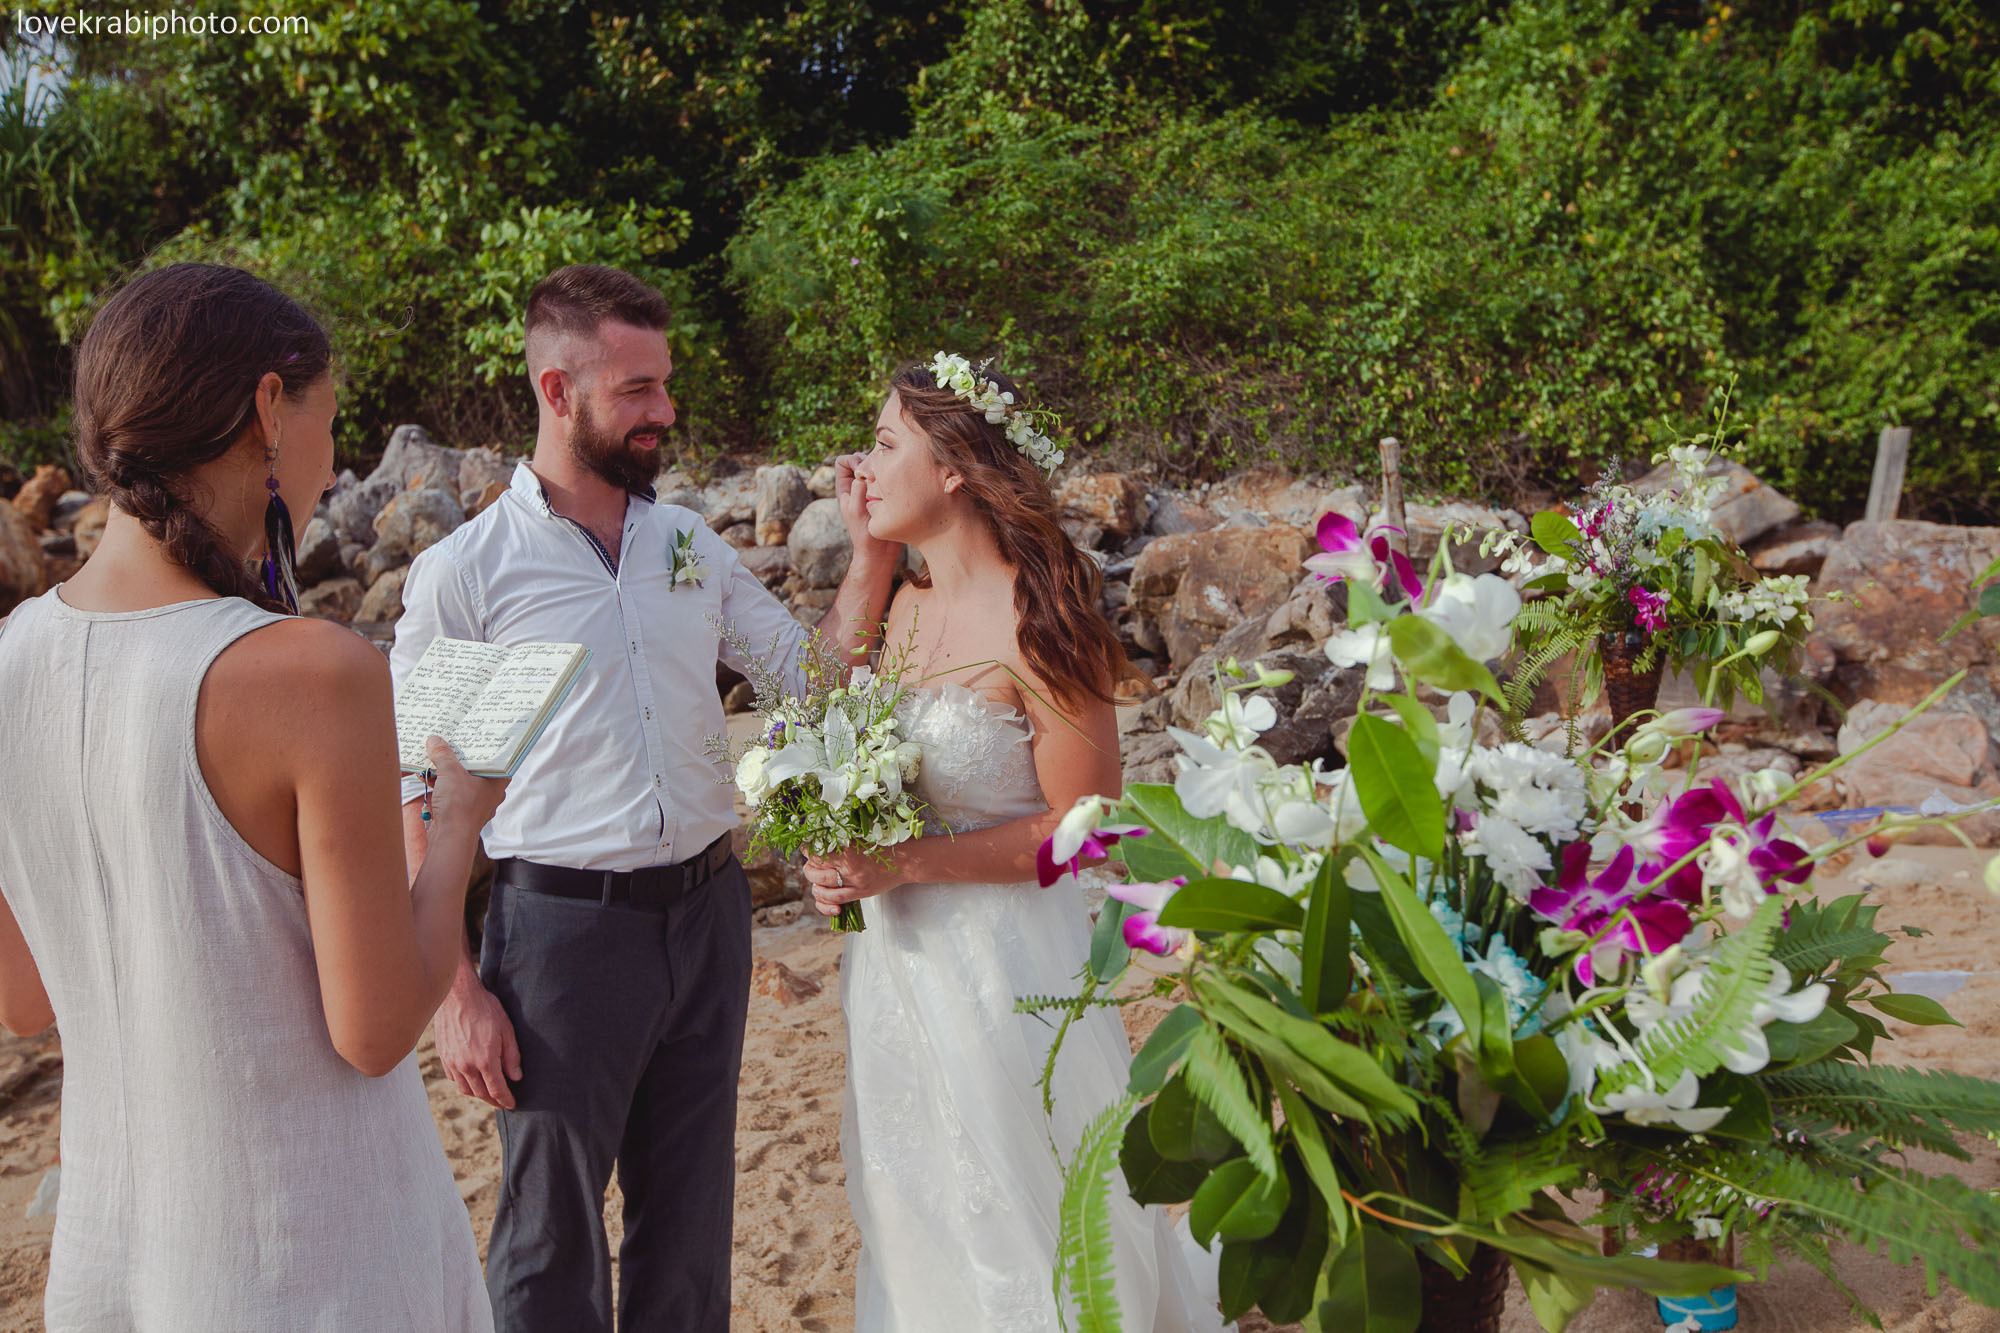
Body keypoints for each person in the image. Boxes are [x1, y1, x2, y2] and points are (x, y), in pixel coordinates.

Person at [394, 263, 899, 1332]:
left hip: (709, 918)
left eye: (663, 385)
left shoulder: (689, 545)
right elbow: (415, 787)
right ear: (554, 390)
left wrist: (871, 557)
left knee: (688, 1229)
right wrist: (453, 993)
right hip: (558, 937)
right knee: (548, 1244)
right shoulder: (465, 572)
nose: (663, 411)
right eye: (635, 390)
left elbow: (808, 681)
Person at [0, 262, 499, 1330]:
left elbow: (23, 1001)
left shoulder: (10, 658)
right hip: (315, 1258)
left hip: (116, 1264)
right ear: (269, 408)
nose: (337, 457)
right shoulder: (308, 671)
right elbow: (371, 1029)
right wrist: (453, 825)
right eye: (328, 419)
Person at [802, 358, 1227, 1332]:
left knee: (1024, 1216)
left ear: (951, 466)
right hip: (889, 977)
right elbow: (810, 714)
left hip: (1004, 980)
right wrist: (865, 560)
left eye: (882, 442)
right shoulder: (896, 609)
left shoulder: (1039, 621)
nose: (858, 465)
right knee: (912, 1209)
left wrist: (899, 863)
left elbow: (1083, 832)